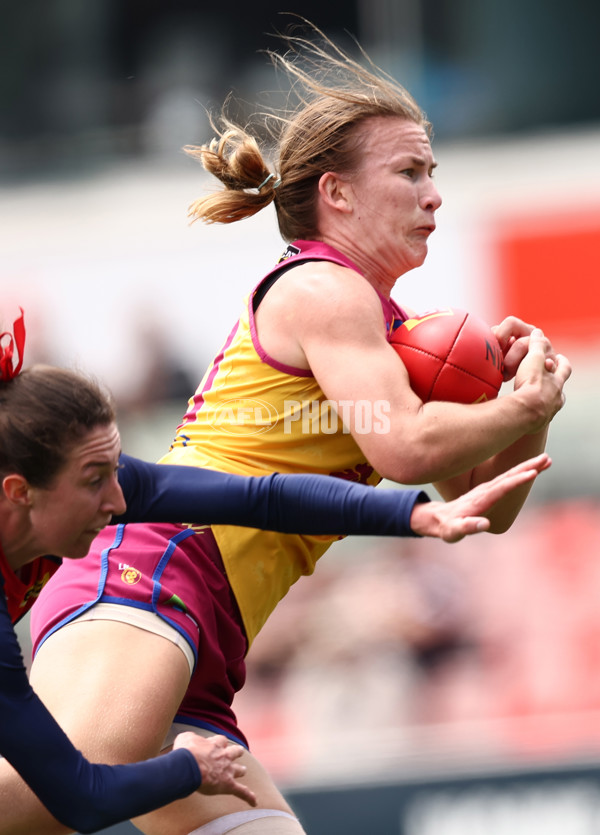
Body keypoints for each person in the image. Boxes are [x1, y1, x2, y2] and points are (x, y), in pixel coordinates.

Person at [8, 21, 570, 835]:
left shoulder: (381, 330)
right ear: (336, 193)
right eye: (410, 171)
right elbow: (402, 447)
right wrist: (511, 408)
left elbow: (487, 506)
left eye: (434, 172)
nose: (434, 193)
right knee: (48, 806)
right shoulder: (324, 288)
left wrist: (528, 413)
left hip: (206, 624)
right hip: (158, 568)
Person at [0, 313, 551, 835]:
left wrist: (415, 514)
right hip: (146, 604)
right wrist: (188, 769)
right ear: (19, 492)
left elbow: (259, 496)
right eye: (95, 479)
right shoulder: (317, 291)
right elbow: (74, 797)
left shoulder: (103, 491)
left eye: (115, 469)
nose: (118, 499)